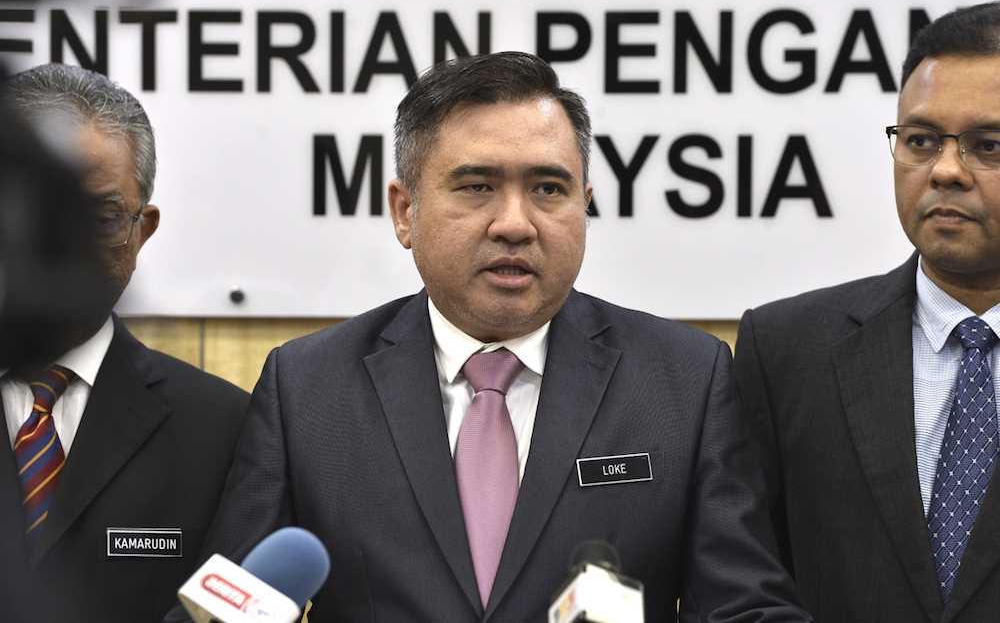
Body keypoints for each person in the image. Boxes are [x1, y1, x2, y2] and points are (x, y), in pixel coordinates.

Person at [168, 51, 810, 622]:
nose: (514, 223)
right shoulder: (306, 388)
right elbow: (219, 609)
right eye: (477, 187)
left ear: (584, 205)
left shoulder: (685, 381)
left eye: (548, 189)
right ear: (404, 211)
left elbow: (745, 606)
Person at [734, 2, 1000, 623]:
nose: (944, 171)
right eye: (921, 141)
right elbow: (737, 589)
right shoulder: (785, 351)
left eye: (988, 145)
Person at [0, 63, 250, 623]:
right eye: (32, 216)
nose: (60, 245)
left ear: (144, 228)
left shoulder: (223, 427)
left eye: (104, 217)